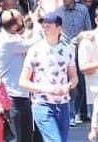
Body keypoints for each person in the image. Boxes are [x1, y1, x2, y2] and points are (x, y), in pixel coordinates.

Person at [19, 11, 77, 142]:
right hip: (42, 103)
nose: (45, 29)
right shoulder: (35, 50)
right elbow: (23, 81)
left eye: (48, 26)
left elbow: (74, 77)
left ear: (59, 28)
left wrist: (68, 86)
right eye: (43, 26)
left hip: (63, 104)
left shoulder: (68, 49)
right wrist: (48, 89)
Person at [0, 10, 35, 142]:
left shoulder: (10, 35)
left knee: (27, 136)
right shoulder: (7, 41)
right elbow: (33, 43)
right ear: (14, 26)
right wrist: (38, 26)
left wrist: (30, 23)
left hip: (20, 94)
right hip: (12, 96)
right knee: (18, 137)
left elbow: (25, 37)